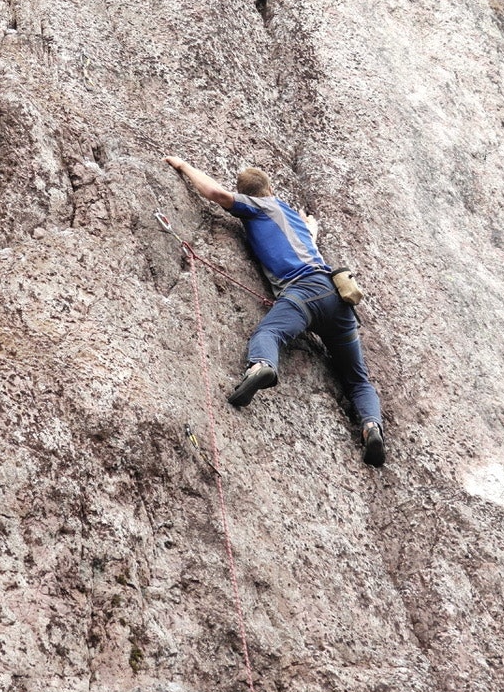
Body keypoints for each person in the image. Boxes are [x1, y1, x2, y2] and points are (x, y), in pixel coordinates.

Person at [164, 156, 386, 466]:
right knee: (357, 380)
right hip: (336, 298)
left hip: (302, 295)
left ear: (251, 197)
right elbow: (305, 240)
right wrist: (311, 226)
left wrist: (183, 166)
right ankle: (371, 426)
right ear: (270, 188)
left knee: (270, 332)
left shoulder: (256, 207)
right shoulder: (292, 215)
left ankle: (262, 366)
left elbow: (216, 194)